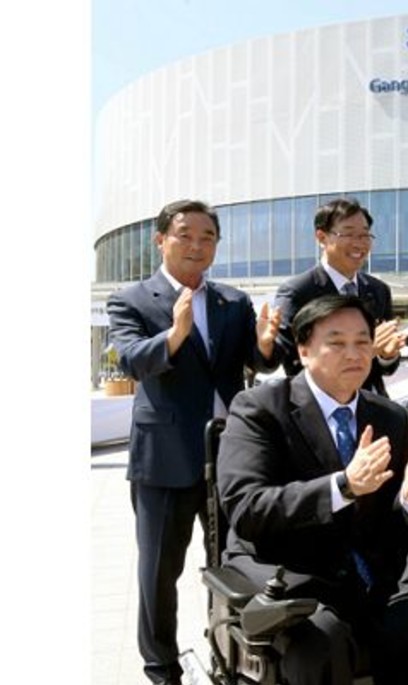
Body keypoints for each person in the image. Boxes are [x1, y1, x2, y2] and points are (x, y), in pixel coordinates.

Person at [217, 295, 408, 685]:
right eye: (336, 342)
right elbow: (247, 509)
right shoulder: (260, 409)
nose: (353, 353)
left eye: (362, 342)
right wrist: (343, 486)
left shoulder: (389, 416)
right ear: (304, 350)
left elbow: (387, 524)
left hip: (369, 571)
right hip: (290, 568)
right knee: (323, 638)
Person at [106, 199, 282, 685]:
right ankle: (161, 667)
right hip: (165, 458)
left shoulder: (232, 301)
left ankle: (229, 649)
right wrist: (175, 334)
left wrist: (265, 343)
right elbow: (131, 360)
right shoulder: (131, 299)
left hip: (231, 456)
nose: (197, 245)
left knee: (234, 561)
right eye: (185, 234)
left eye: (208, 237)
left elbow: (257, 361)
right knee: (159, 572)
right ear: (160, 240)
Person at [274, 197, 405, 396]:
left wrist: (387, 355)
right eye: (349, 234)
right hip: (321, 407)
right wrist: (366, 351)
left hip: (370, 403)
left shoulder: (378, 290)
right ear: (321, 237)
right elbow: (294, 366)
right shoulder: (297, 292)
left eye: (364, 235)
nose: (359, 243)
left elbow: (385, 369)